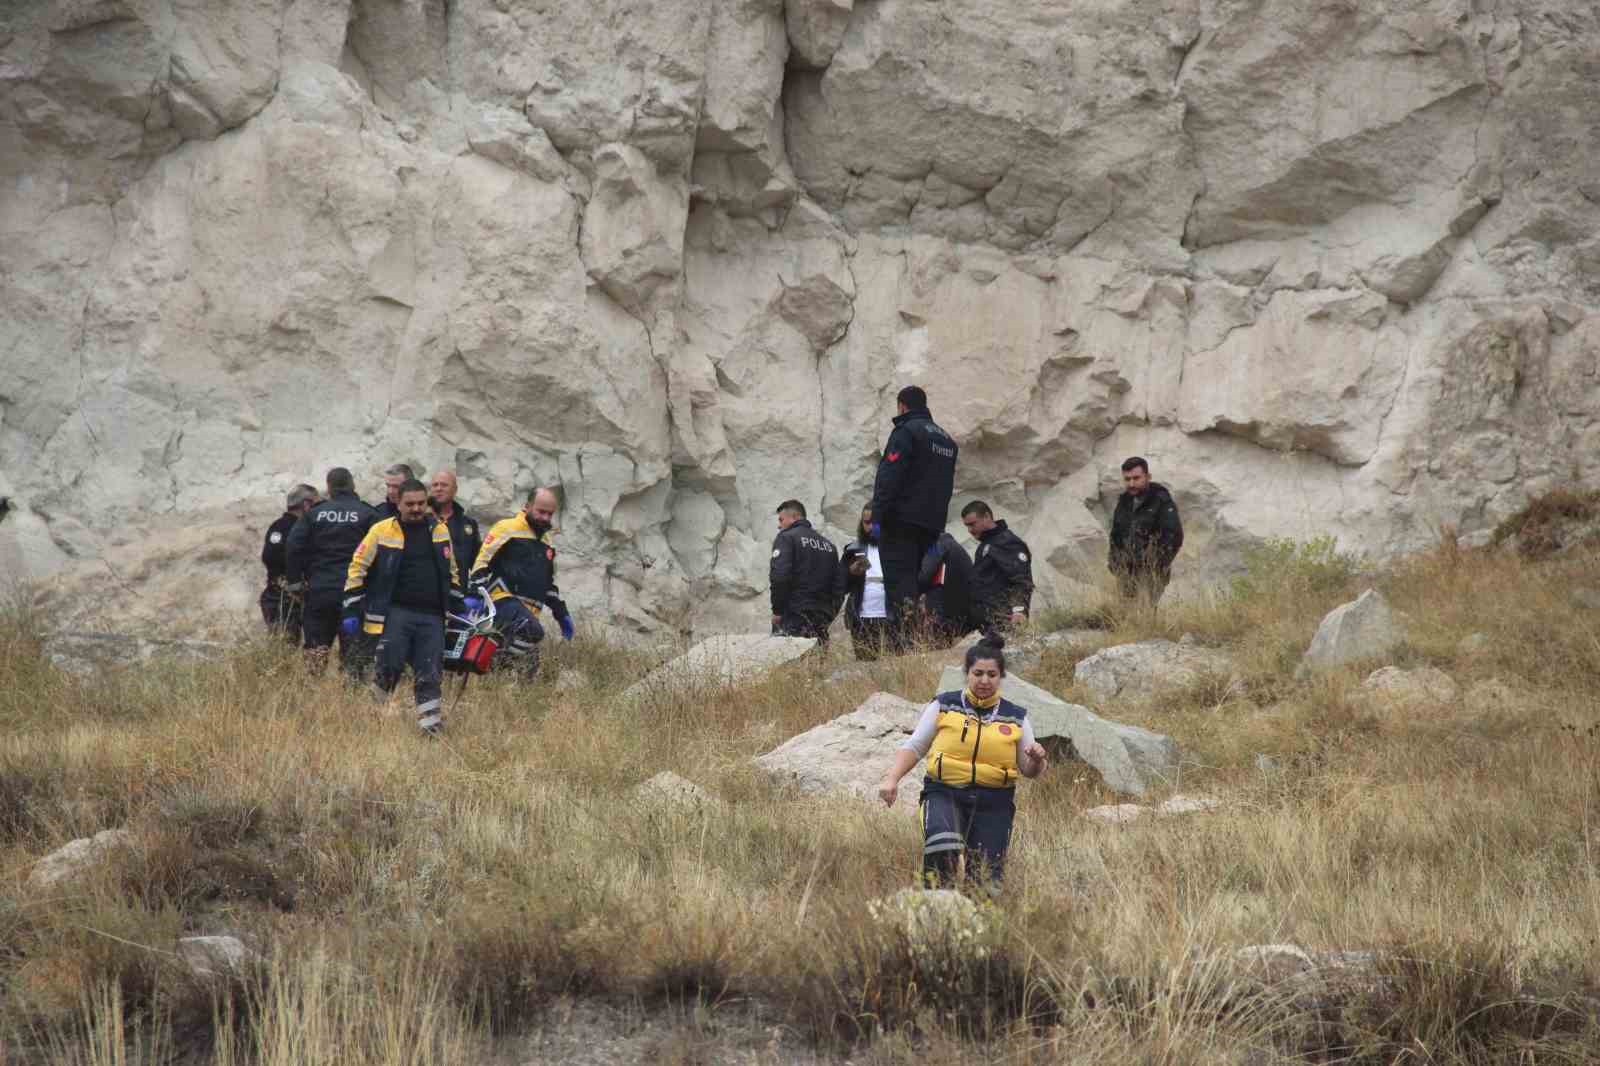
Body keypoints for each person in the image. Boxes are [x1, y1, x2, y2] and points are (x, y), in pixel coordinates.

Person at [877, 637, 1048, 891]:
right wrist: (892, 779)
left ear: (1001, 677)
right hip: (944, 793)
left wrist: (1037, 759)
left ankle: (975, 926)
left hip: (995, 802)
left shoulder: (1016, 717)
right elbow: (915, 746)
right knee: (942, 846)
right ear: (967, 674)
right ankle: (935, 913)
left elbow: (1029, 770)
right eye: (978, 673)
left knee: (986, 881)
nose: (984, 680)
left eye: (992, 674)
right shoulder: (944, 704)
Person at [343, 479, 464, 735]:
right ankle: (369, 720)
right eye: (410, 504)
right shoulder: (381, 530)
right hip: (396, 613)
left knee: (430, 673)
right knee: (389, 665)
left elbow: (451, 572)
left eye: (421, 503)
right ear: (398, 503)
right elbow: (357, 568)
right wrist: (351, 608)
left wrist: (459, 603)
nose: (417, 508)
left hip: (432, 617)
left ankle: (431, 730)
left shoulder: (439, 530)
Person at [865, 386, 958, 648]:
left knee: (898, 583)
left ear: (902, 406)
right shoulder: (947, 440)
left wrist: (877, 518)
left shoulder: (906, 431)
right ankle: (916, 638)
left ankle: (902, 645)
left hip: (900, 522)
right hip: (930, 526)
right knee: (917, 580)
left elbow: (889, 477)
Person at [470, 486, 574, 675]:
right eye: (541, 511)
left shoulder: (547, 541)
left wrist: (561, 612)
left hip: (530, 610)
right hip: (502, 600)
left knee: (529, 673)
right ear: (527, 506)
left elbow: (548, 583)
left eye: (549, 514)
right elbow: (481, 561)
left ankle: (491, 677)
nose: (545, 518)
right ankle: (491, 666)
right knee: (533, 631)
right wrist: (476, 594)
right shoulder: (506, 527)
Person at [285, 467, 379, 673]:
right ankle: (349, 697)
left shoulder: (314, 514)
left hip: (320, 591)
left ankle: (313, 694)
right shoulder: (368, 513)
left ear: (329, 488)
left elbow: (293, 545)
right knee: (353, 654)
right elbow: (382, 551)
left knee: (315, 652)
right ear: (352, 485)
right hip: (355, 595)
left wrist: (295, 582)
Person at [1108, 456, 1184, 605]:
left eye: (1136, 478)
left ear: (1148, 477)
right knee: (1127, 615)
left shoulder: (1161, 500)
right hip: (1126, 572)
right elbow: (1115, 535)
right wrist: (1114, 563)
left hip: (1152, 573)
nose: (1131, 483)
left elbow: (1174, 537)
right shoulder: (1123, 502)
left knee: (1146, 613)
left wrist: (1156, 564)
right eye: (1127, 479)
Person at [769, 499, 846, 642]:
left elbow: (779, 576)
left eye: (781, 520)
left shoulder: (786, 538)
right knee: (818, 663)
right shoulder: (829, 546)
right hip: (822, 619)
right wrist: (829, 614)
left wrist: (778, 610)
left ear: (795, 517)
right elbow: (839, 586)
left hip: (794, 616)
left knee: (790, 662)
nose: (779, 526)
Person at [961, 500, 1034, 632]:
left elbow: (1022, 581)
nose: (970, 530)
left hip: (1004, 623)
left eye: (972, 524)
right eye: (967, 526)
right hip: (988, 623)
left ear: (987, 517)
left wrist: (1019, 610)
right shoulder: (987, 544)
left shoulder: (1007, 542)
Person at [260, 483, 319, 643]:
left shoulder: (277, 525)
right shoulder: (302, 528)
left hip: (278, 596)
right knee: (288, 646)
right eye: (317, 504)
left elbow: (268, 557)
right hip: (287, 598)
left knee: (285, 646)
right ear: (307, 505)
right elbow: (272, 557)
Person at [917, 530, 982, 647]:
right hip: (959, 610)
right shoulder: (954, 545)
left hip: (943, 609)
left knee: (937, 649)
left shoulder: (937, 545)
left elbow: (924, 575)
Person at [841, 508, 890, 660]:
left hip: (892, 615)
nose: (870, 528)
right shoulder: (852, 549)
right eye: (866, 523)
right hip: (862, 615)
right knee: (866, 665)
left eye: (875, 523)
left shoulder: (898, 549)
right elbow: (841, 585)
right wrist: (851, 572)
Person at [429, 470, 482, 573]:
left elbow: (476, 563)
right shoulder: (423, 521)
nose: (439, 488)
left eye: (444, 485)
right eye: (435, 485)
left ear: (455, 489)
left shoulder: (468, 524)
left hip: (459, 587)